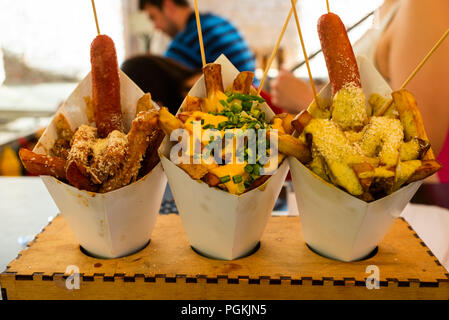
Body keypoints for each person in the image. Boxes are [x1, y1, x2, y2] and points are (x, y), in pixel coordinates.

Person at [270, 0, 449, 182]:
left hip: (393, 195)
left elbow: (424, 137)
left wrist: (306, 100)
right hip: (352, 189)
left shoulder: (426, 5)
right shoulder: (388, 7)